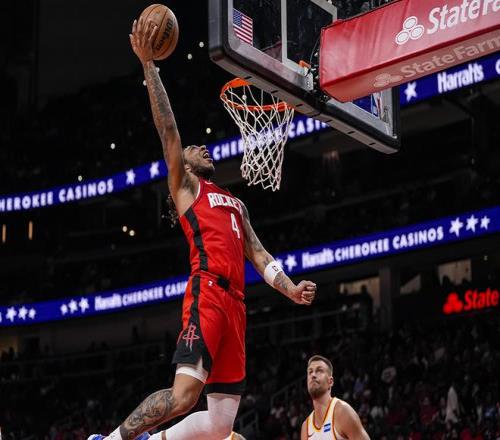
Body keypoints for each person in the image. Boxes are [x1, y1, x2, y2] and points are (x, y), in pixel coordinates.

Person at [88, 17, 317, 440]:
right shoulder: (186, 187)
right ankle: (112, 439)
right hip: (208, 292)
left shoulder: (235, 203)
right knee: (183, 397)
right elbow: (169, 131)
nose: (202, 147)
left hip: (237, 307)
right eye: (195, 148)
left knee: (219, 424)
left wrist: (289, 289)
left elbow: (259, 255)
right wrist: (149, 66)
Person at [301, 355, 370, 440]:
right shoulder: (306, 427)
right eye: (310, 372)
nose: (313, 375)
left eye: (319, 371)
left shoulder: (342, 412)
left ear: (330, 382)